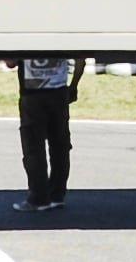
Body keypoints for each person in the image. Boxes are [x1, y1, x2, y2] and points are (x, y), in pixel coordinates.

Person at [7, 55, 85, 212]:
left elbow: (10, 62)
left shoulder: (24, 34)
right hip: (59, 92)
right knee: (60, 146)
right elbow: (81, 60)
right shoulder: (64, 34)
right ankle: (57, 194)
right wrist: (74, 85)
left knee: (34, 147)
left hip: (32, 92)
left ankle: (38, 197)